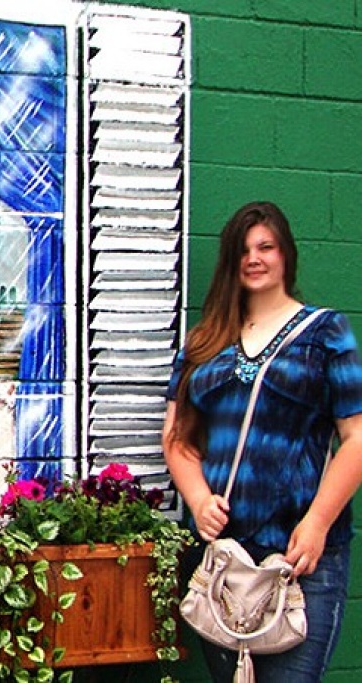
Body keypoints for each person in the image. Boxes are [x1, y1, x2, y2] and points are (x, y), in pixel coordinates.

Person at [161, 201, 362, 682]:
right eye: (243, 250)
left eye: (265, 247)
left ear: (285, 255)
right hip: (223, 562)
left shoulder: (325, 333)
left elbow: (355, 437)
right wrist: (197, 498)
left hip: (301, 561)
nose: (254, 258)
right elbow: (178, 437)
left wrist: (316, 523)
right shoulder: (205, 342)